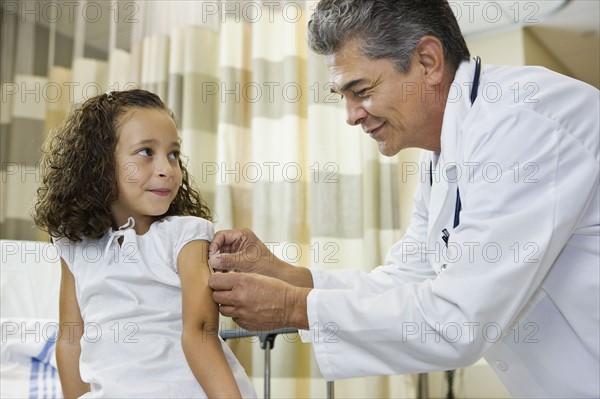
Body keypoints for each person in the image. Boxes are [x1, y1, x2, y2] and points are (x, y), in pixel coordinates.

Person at [207, 0, 600, 397]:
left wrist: (293, 307)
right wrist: (285, 276)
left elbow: (457, 320)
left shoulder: (526, 123)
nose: (351, 115)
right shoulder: (443, 158)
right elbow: (404, 281)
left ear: (428, 62)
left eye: (360, 90)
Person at [33, 89, 256, 398]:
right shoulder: (74, 246)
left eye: (173, 154)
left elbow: (200, 333)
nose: (166, 168)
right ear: (100, 164)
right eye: (146, 152)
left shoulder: (186, 235)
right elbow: (71, 337)